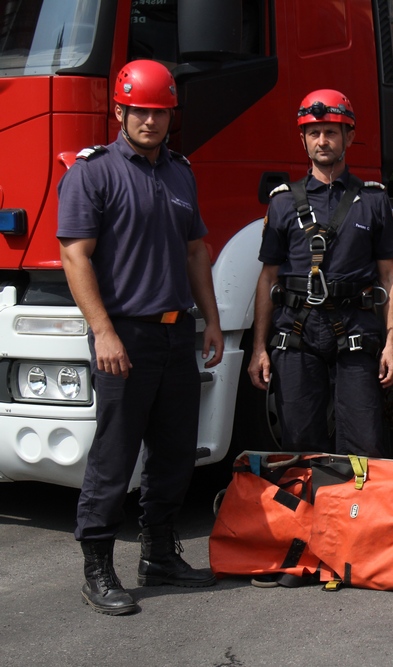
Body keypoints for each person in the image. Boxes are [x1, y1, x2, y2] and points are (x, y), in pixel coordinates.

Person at [57, 60, 224, 615]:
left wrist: (212, 320)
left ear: (172, 115)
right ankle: (98, 568)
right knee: (115, 454)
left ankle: (159, 556)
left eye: (161, 112)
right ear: (120, 111)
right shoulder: (93, 172)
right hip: (123, 335)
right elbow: (74, 256)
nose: (151, 121)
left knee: (174, 453)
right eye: (140, 111)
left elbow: (195, 251)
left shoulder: (180, 172)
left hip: (176, 334)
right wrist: (102, 332)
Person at [248, 89, 393, 456]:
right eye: (314, 132)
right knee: (300, 445)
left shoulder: (373, 200)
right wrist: (258, 349)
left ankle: (357, 497)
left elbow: (390, 277)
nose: (322, 141)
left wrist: (392, 345)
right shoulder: (283, 203)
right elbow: (268, 278)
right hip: (296, 333)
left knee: (365, 445)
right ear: (302, 139)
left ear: (349, 136)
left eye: (331, 132)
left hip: (356, 330)